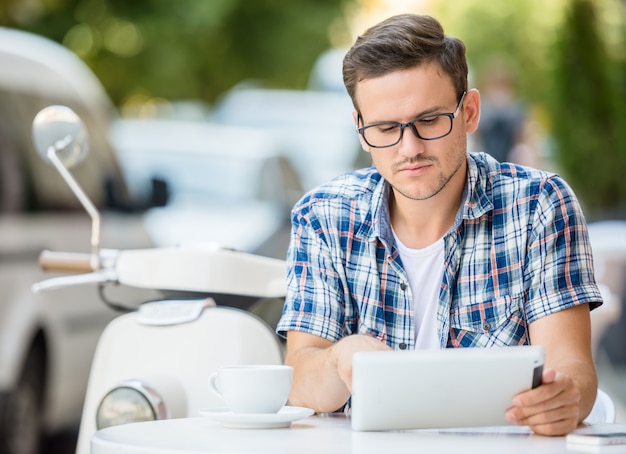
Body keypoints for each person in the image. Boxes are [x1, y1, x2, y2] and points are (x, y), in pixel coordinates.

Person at [276, 13, 603, 436]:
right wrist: (341, 358)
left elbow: (573, 368)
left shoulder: (539, 205)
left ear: (469, 112)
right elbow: (300, 381)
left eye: (429, 120)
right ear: (360, 130)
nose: (409, 148)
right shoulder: (323, 216)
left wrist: (564, 399)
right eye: (385, 128)